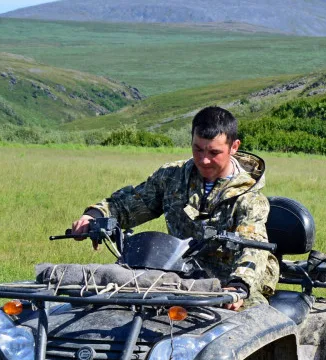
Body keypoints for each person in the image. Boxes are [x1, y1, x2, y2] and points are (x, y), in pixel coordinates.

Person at [70, 106, 279, 310]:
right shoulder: (172, 176)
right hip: (176, 277)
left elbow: (254, 246)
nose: (204, 160)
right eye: (197, 149)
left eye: (214, 152)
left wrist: (239, 286)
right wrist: (94, 216)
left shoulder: (249, 198)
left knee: (249, 325)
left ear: (234, 147)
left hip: (226, 285)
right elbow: (129, 204)